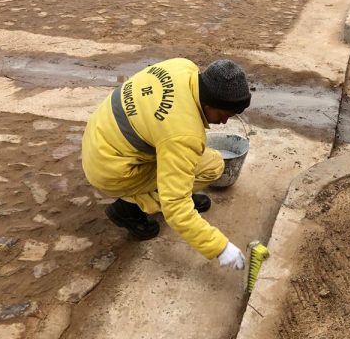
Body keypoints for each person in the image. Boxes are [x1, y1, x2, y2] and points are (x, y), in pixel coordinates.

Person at [81, 58, 252, 270]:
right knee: (212, 167)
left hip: (99, 136)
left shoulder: (183, 67)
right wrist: (221, 248)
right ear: (208, 104)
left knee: (194, 161)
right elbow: (176, 206)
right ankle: (128, 208)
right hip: (111, 169)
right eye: (224, 115)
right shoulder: (183, 134)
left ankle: (171, 189)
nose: (224, 122)